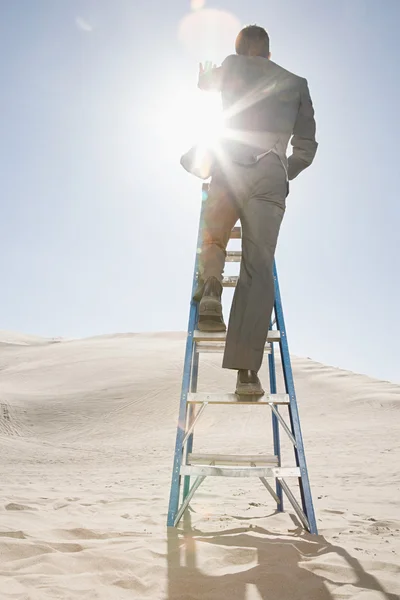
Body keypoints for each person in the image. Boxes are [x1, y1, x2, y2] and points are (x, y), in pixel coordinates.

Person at [185, 25, 318, 395]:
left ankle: (211, 289)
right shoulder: (296, 82)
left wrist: (204, 78)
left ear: (240, 51)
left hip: (229, 166)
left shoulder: (231, 65)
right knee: (258, 267)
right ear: (270, 54)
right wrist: (281, 169)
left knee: (214, 233)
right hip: (271, 173)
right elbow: (307, 146)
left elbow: (208, 82)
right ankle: (246, 373)